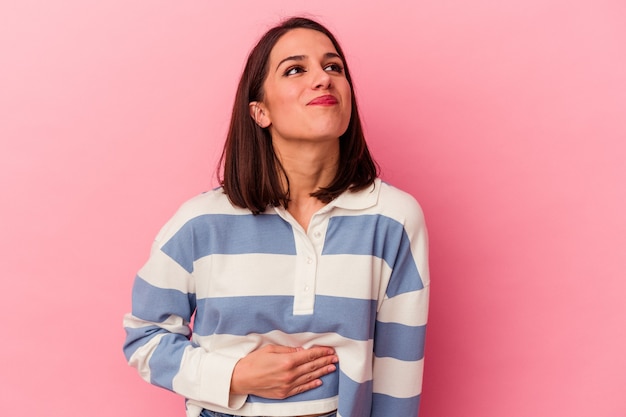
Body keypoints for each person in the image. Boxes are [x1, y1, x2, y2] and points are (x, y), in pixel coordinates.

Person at [123, 16, 429, 417]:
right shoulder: (200, 222)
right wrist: (235, 375)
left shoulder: (392, 218)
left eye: (333, 67)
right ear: (260, 111)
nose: (322, 79)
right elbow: (143, 337)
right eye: (296, 69)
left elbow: (398, 371)